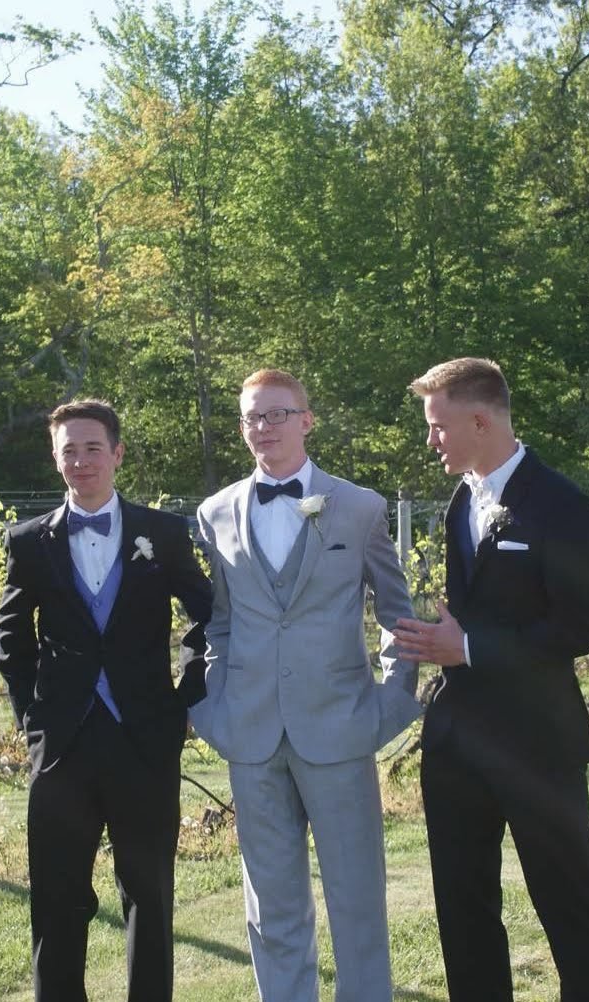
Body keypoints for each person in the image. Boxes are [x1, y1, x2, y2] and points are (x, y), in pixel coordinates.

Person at [188, 368, 421, 1002]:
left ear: (307, 421)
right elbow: (218, 622)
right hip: (249, 733)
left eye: (277, 414)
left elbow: (397, 613)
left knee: (357, 897)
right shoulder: (215, 513)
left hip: (341, 727)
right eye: (251, 417)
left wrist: (394, 700)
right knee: (271, 904)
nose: (263, 427)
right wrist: (214, 706)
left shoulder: (361, 507)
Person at [395, 357, 589, 1002]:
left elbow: (576, 629)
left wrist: (466, 648)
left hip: (537, 742)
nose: (431, 440)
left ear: (480, 421)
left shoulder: (562, 505)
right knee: (462, 907)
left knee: (569, 902)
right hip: (457, 744)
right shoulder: (460, 501)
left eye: (438, 426)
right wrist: (439, 642)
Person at [0, 399, 212, 1002]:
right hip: (61, 743)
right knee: (57, 896)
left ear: (117, 454)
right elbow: (10, 639)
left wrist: (188, 697)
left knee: (149, 893)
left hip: (145, 736)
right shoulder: (29, 541)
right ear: (55, 458)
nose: (81, 460)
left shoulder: (162, 533)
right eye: (69, 450)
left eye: (93, 448)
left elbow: (208, 618)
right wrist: (32, 719)